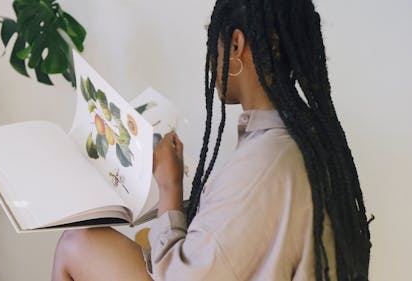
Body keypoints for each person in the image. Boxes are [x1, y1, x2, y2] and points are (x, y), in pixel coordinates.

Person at [51, 0, 372, 280]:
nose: (209, 58)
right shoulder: (296, 143)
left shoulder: (264, 164)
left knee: (77, 244)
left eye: (212, 42)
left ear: (236, 45)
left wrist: (169, 187)